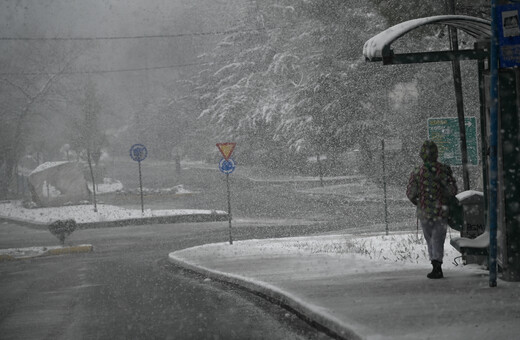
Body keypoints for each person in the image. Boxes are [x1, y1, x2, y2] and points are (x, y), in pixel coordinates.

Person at [406, 140, 457, 279]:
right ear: (436, 153)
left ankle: (435, 264)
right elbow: (452, 190)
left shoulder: (417, 171)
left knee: (430, 239)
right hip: (441, 210)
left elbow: (410, 192)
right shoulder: (445, 169)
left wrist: (418, 201)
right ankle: (437, 264)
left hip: (424, 211)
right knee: (438, 238)